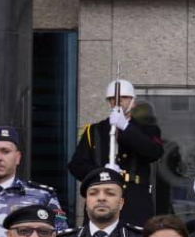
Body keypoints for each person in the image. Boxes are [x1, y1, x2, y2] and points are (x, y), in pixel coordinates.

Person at [66, 79, 169, 226]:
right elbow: (76, 165)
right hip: (102, 196)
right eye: (113, 98)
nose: (118, 101)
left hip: (134, 198)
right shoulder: (93, 131)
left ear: (133, 102)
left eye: (124, 97)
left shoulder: (148, 130)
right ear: (109, 102)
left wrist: (125, 127)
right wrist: (101, 172)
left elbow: (154, 152)